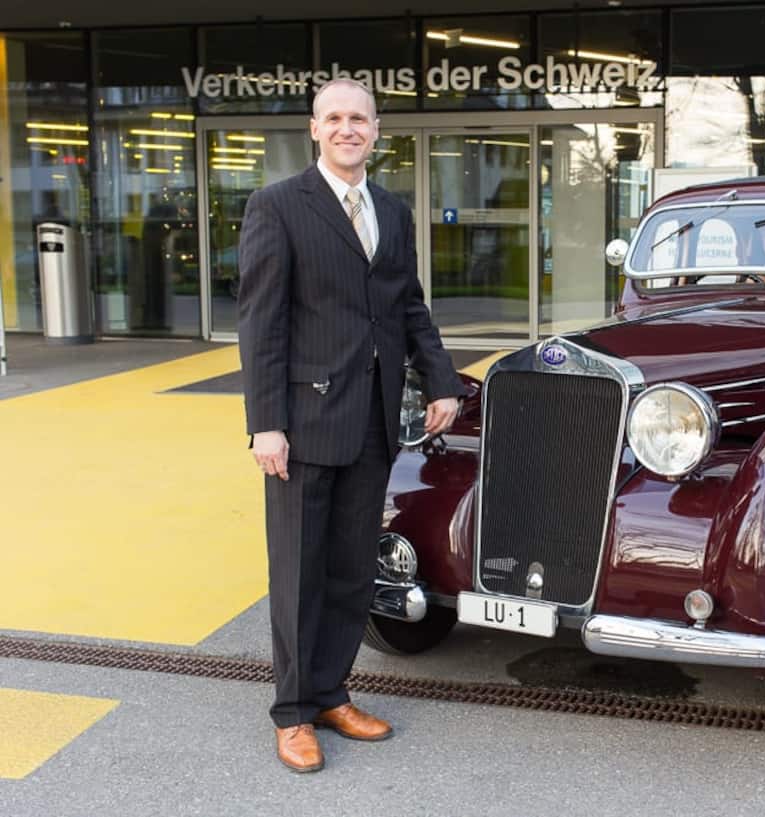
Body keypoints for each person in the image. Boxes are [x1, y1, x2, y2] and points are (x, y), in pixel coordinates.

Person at [238, 78, 463, 774]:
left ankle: (332, 692)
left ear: (375, 129)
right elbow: (261, 323)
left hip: (372, 421)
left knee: (348, 572)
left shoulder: (389, 211)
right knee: (300, 571)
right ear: (314, 128)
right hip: (302, 425)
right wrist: (265, 424)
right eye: (333, 118)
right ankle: (293, 712)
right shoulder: (277, 207)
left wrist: (441, 380)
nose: (346, 128)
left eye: (358, 118)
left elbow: (408, 307)